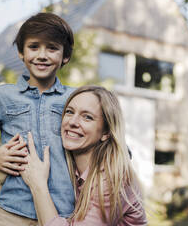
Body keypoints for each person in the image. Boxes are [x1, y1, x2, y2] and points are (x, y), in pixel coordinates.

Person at [0, 12, 75, 225]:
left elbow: (105, 141)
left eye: (52, 48)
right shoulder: (3, 96)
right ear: (21, 53)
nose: (42, 55)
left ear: (65, 56)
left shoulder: (75, 98)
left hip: (63, 212)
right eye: (34, 47)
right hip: (13, 211)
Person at [19, 85, 147, 225]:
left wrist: (38, 186)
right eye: (69, 112)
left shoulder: (115, 179)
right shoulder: (68, 168)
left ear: (106, 132)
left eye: (87, 117)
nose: (72, 122)